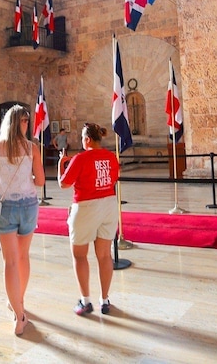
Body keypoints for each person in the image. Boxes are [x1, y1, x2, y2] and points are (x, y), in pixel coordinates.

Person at [0, 105, 46, 335]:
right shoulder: (32, 148)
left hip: (5, 206)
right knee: (23, 256)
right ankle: (18, 303)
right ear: (19, 123)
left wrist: (2, 175)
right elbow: (40, 181)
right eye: (25, 120)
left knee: (10, 261)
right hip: (28, 205)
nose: (27, 123)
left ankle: (19, 314)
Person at [57, 123, 121, 316]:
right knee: (104, 255)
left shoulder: (80, 158)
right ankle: (105, 300)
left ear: (87, 139)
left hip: (86, 206)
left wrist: (62, 164)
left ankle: (85, 301)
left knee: (79, 255)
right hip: (109, 205)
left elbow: (64, 184)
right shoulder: (111, 156)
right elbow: (114, 178)